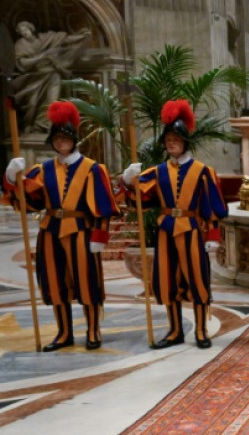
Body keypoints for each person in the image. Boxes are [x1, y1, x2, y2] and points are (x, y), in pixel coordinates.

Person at [2, 101, 118, 351]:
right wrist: (12, 178)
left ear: (73, 138)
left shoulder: (93, 169)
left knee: (88, 282)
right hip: (50, 231)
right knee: (54, 283)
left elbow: (104, 205)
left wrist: (99, 235)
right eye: (56, 138)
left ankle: (93, 330)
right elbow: (29, 203)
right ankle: (64, 332)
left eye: (65, 137)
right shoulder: (42, 170)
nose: (61, 142)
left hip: (82, 231)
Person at [120, 100, 228, 349]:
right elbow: (141, 198)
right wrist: (128, 180)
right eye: (167, 139)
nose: (171, 143)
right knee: (166, 281)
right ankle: (174, 330)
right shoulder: (157, 172)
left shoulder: (203, 171)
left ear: (185, 141)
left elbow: (213, 204)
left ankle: (201, 330)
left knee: (197, 279)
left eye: (175, 138)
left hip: (191, 230)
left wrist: (212, 234)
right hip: (166, 231)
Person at [9, 21, 92, 133]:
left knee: (53, 100)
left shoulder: (45, 38)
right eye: (22, 32)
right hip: (34, 77)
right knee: (32, 103)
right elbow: (23, 63)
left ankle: (47, 124)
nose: (25, 33)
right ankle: (30, 125)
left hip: (52, 74)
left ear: (31, 29)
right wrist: (41, 57)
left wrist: (80, 36)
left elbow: (65, 40)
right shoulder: (20, 45)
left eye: (26, 30)